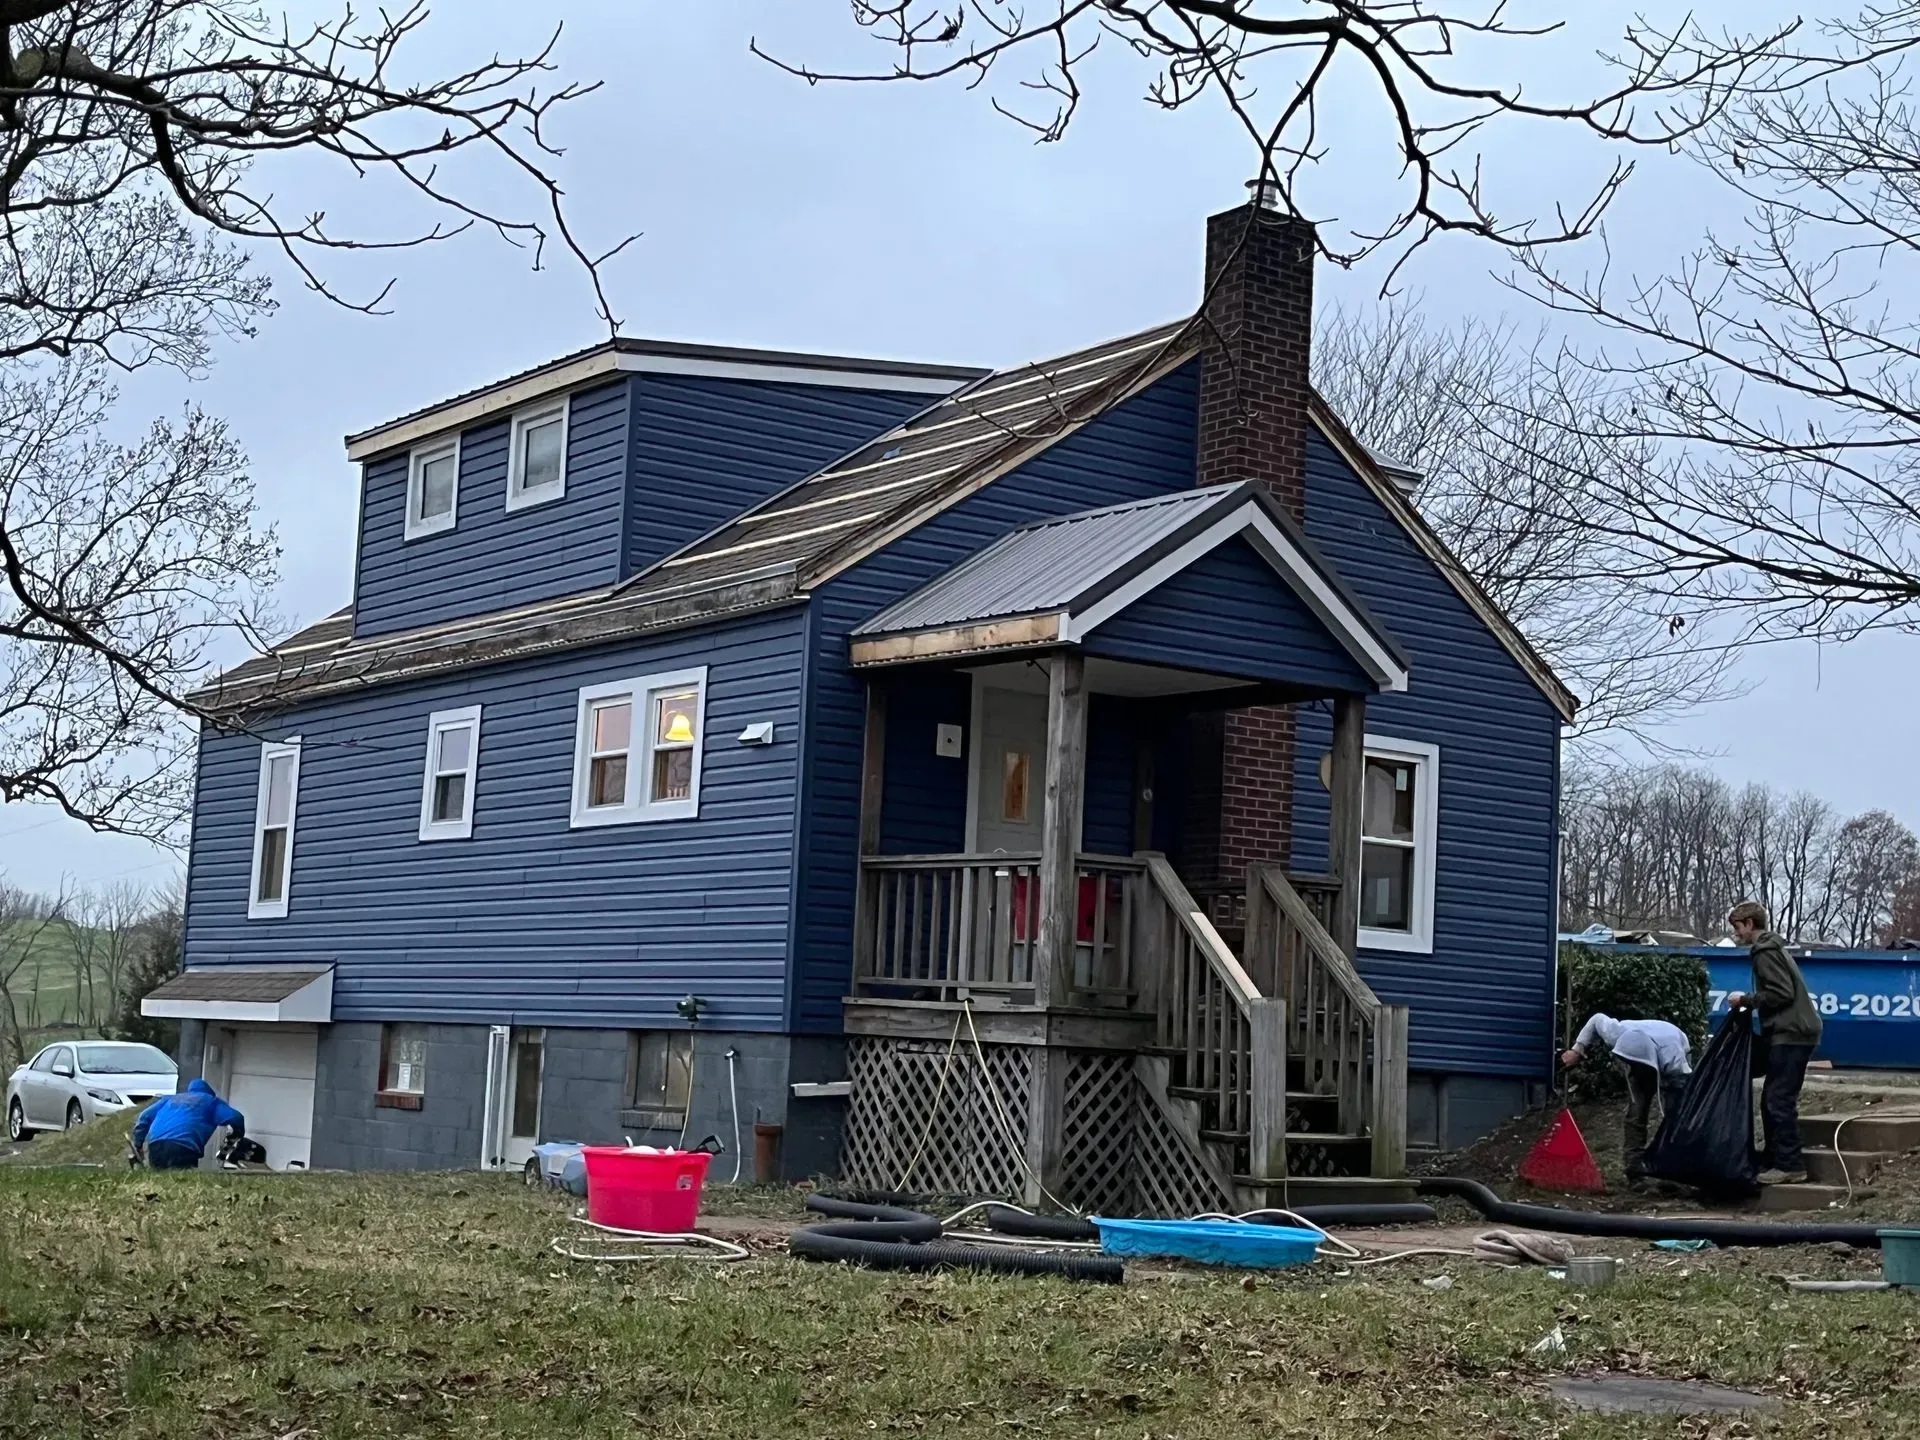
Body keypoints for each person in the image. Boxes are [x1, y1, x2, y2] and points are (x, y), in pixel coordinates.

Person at [1725, 899, 1823, 1185]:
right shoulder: (1775, 948)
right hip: (1794, 1032)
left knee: (1777, 1100)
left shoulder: (1764, 952)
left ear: (1749, 924)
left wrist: (1745, 1000)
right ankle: (1774, 1159)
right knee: (1773, 1098)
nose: (1736, 934)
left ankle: (1790, 1165)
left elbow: (1781, 993)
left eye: (1737, 927)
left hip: (1791, 1033)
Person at [1560, 1013, 1693, 1185]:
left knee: (1674, 1117)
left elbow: (1681, 1082)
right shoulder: (1616, 1033)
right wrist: (1577, 1050)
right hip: (1647, 1052)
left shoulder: (1674, 1060)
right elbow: (1596, 1019)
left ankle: (1671, 1170)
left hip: (1673, 1048)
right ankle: (1634, 1169)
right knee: (1636, 1112)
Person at [131, 1078, 246, 1171]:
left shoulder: (169, 1099)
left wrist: (138, 1145)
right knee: (181, 1183)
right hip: (183, 1147)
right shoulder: (211, 1101)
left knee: (160, 1183)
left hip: (156, 1145)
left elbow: (144, 1117)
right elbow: (236, 1117)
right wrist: (236, 1135)